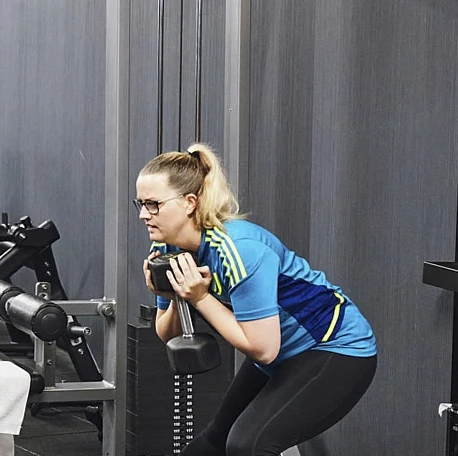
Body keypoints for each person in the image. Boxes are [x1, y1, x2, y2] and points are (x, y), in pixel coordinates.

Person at [136, 143, 378, 456]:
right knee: (215, 443)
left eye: (154, 204)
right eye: (140, 204)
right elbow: (166, 334)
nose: (144, 215)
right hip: (284, 355)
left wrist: (199, 297)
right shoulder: (169, 250)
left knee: (249, 445)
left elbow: (263, 349)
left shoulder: (240, 248)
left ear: (189, 203)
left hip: (335, 350)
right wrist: (171, 297)